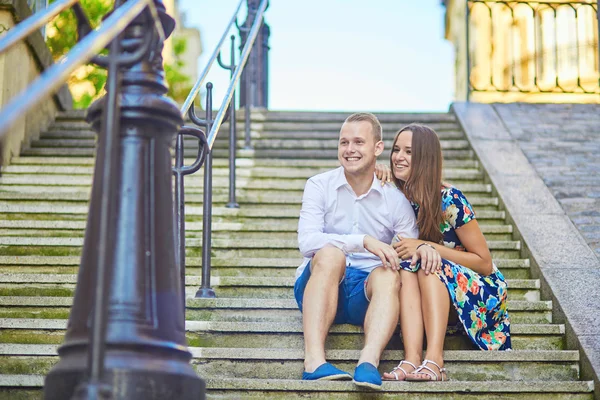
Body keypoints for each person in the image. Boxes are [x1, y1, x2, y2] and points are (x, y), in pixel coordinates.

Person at [295, 113, 439, 390]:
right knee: (329, 253)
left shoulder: (395, 198)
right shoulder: (319, 185)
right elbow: (308, 241)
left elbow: (408, 252)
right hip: (320, 285)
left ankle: (368, 363)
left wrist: (425, 248)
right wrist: (363, 241)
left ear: (378, 148)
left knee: (389, 272)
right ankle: (313, 362)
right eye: (344, 142)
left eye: (359, 142)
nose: (349, 150)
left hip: (367, 295)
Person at [375, 123, 512, 382]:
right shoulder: (396, 195)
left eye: (409, 152)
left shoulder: (450, 199)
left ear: (426, 158)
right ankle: (412, 358)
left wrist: (427, 247)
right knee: (409, 268)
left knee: (428, 262)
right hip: (431, 288)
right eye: (395, 150)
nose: (398, 157)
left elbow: (484, 263)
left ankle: (436, 360)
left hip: (479, 291)